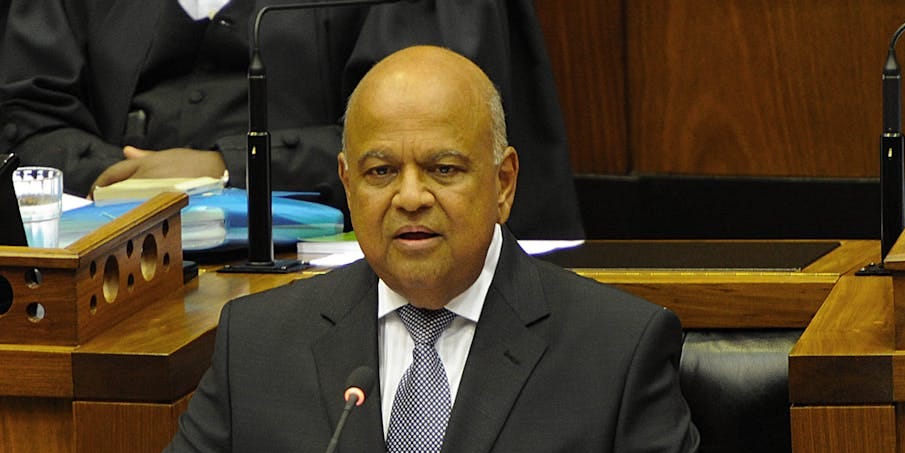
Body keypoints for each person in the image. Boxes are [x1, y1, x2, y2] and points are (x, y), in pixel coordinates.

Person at [95, 45, 744, 453]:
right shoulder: (260, 343)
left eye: (443, 169)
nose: (409, 196)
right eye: (381, 172)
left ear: (504, 183)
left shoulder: (614, 344)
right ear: (349, 186)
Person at [0, 0, 583, 239]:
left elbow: (427, 143)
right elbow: (23, 114)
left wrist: (224, 168)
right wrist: (113, 179)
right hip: (107, 264)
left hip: (337, 270)